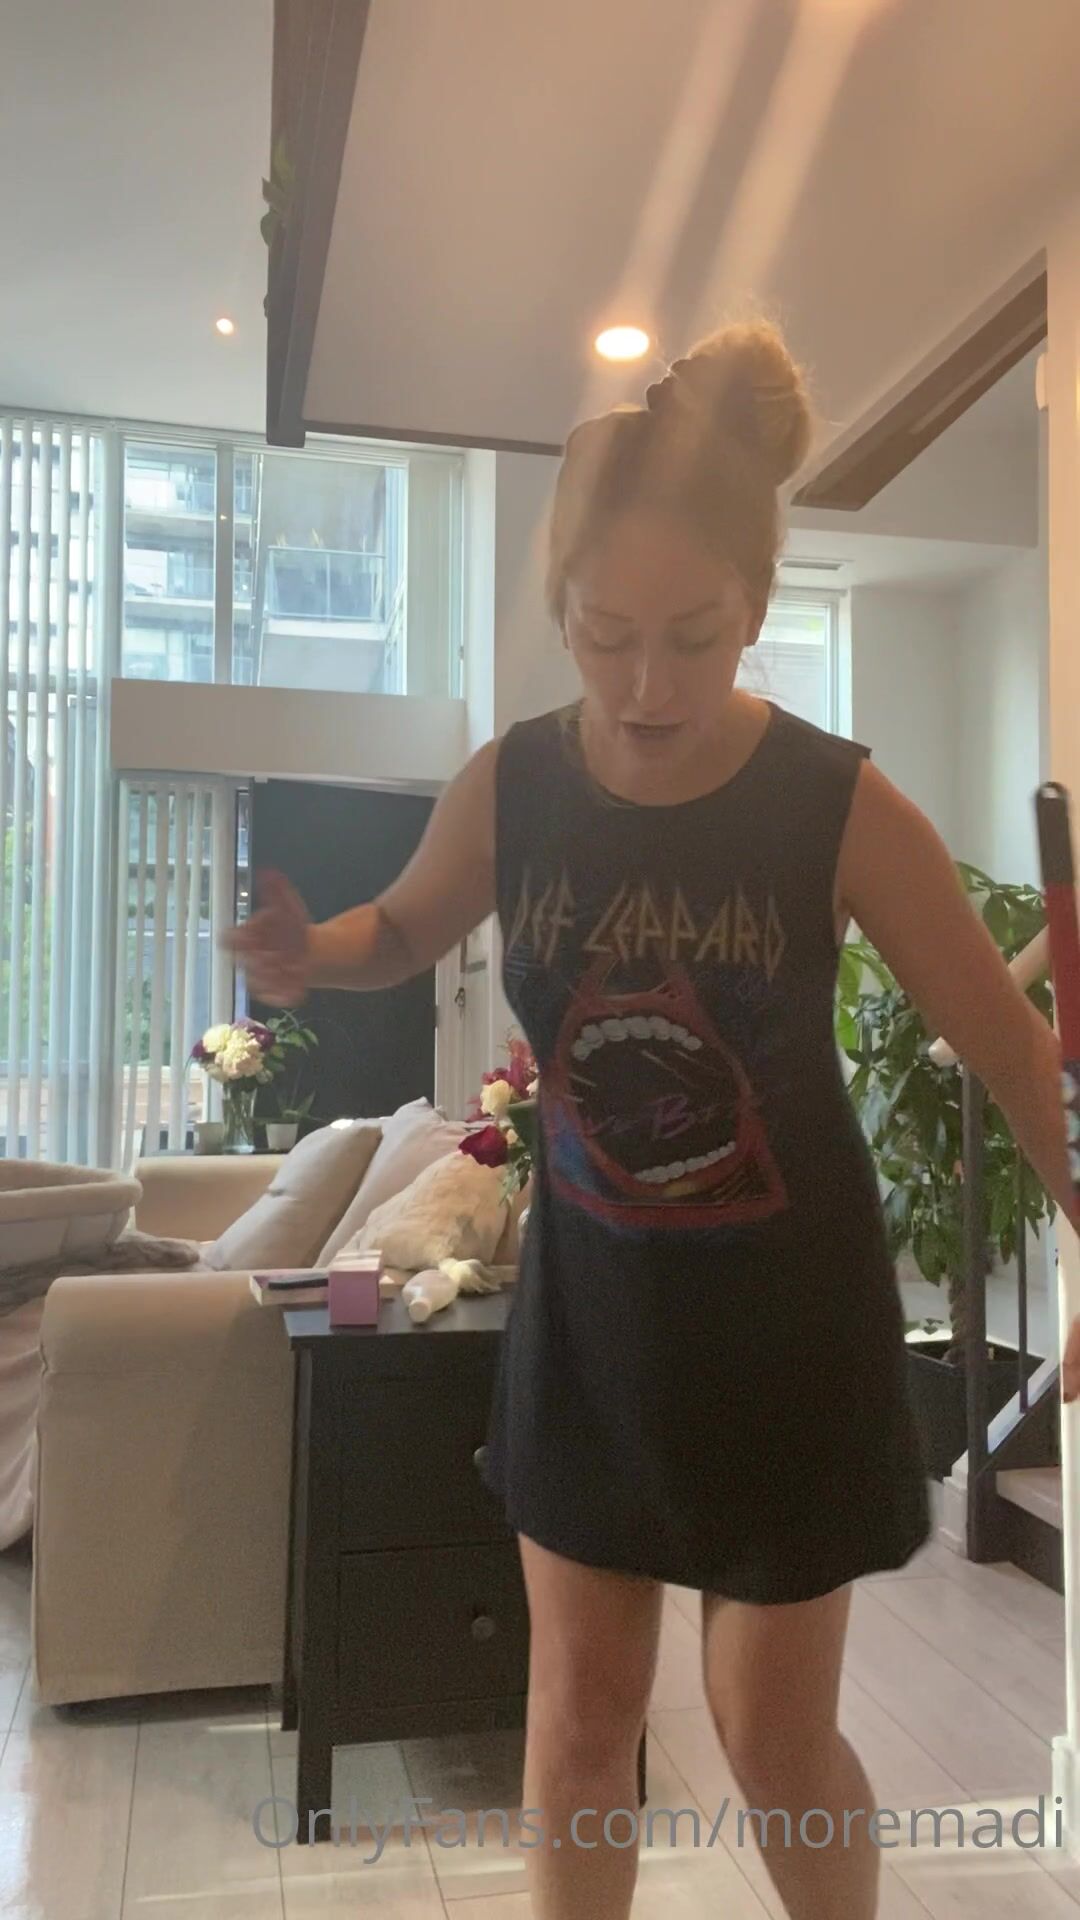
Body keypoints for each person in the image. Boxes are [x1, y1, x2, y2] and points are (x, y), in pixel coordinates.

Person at [227, 319, 1074, 1920]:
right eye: (605, 635)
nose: (647, 685)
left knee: (769, 1733)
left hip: (789, 1336)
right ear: (559, 605)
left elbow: (1016, 1051)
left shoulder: (836, 803)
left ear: (757, 602)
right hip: (598, 1323)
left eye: (694, 637)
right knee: (577, 1725)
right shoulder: (517, 783)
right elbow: (401, 927)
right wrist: (311, 953)